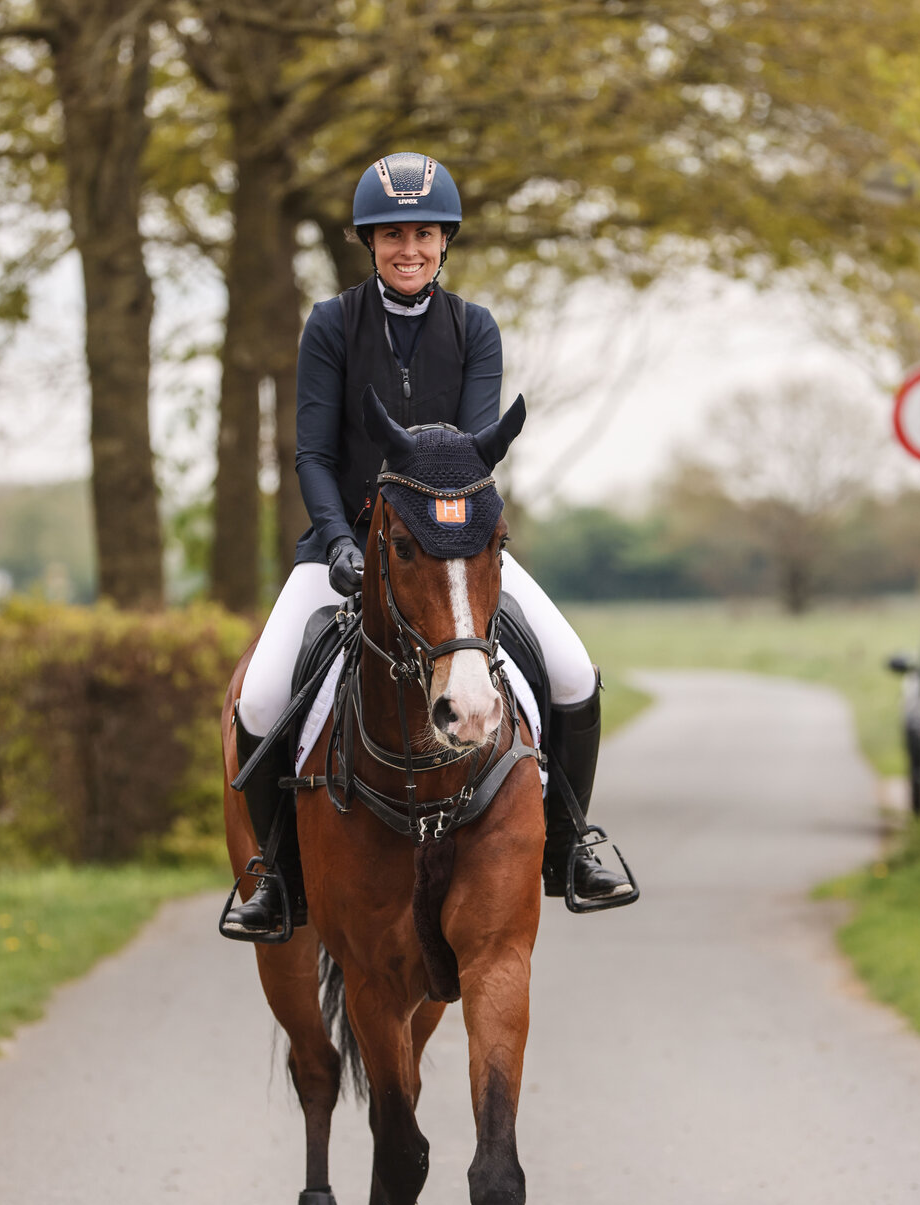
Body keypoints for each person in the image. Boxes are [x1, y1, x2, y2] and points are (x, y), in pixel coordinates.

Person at [225, 151, 631, 938]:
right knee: (264, 695)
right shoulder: (331, 325)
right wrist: (338, 542)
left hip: (456, 550)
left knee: (573, 671)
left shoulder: (475, 328)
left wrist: (451, 538)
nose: (407, 248)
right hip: (343, 547)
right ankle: (276, 876)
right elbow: (313, 454)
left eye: (422, 234)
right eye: (391, 235)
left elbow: (469, 456)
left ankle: (570, 845)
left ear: (444, 241)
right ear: (368, 243)